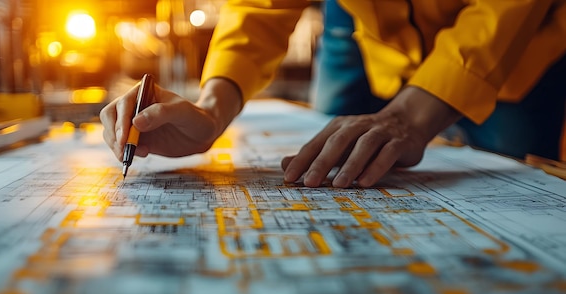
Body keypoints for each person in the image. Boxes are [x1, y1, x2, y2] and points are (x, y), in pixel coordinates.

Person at [101, 0, 566, 188]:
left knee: (515, 178)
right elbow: (262, 9)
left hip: (516, 48)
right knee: (330, 161)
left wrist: (411, 114)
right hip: (363, 24)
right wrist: (211, 109)